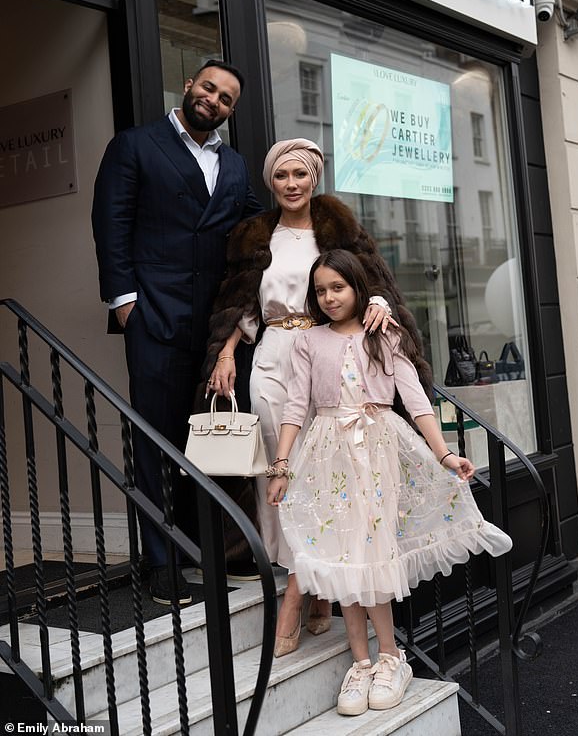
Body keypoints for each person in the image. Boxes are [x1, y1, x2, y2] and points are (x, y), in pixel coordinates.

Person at [203, 138, 433, 652]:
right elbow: (245, 300)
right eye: (282, 175)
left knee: (323, 475)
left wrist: (376, 301)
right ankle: (297, 572)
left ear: (314, 179)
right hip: (271, 356)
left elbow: (367, 284)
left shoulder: (340, 230)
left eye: (300, 174)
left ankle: (309, 588)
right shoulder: (254, 235)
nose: (291, 184)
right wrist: (226, 349)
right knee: (275, 471)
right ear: (271, 182)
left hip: (326, 356)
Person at [267, 249, 513, 715]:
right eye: (320, 291)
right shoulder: (308, 341)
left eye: (337, 287)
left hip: (378, 453)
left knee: (374, 553)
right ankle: (360, 663)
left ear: (358, 288)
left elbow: (415, 398)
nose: (329, 297)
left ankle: (390, 657)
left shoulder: (383, 332)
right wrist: (281, 465)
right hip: (328, 457)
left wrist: (443, 453)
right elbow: (295, 404)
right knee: (345, 557)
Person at [91, 59, 262, 605]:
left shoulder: (233, 165)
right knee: (155, 440)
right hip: (154, 317)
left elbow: (265, 227)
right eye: (208, 87)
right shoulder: (135, 145)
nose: (213, 99)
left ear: (231, 112)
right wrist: (124, 302)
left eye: (226, 98)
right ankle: (160, 562)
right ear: (189, 86)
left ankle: (205, 551)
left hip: (214, 328)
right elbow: (110, 221)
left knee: (209, 441)